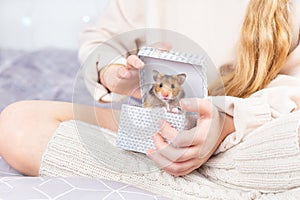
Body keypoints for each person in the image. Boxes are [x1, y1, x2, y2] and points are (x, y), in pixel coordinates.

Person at [0, 0, 299, 198]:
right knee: (18, 123)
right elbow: (105, 37)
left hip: (254, 128)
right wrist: (115, 71)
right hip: (159, 126)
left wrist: (229, 123)